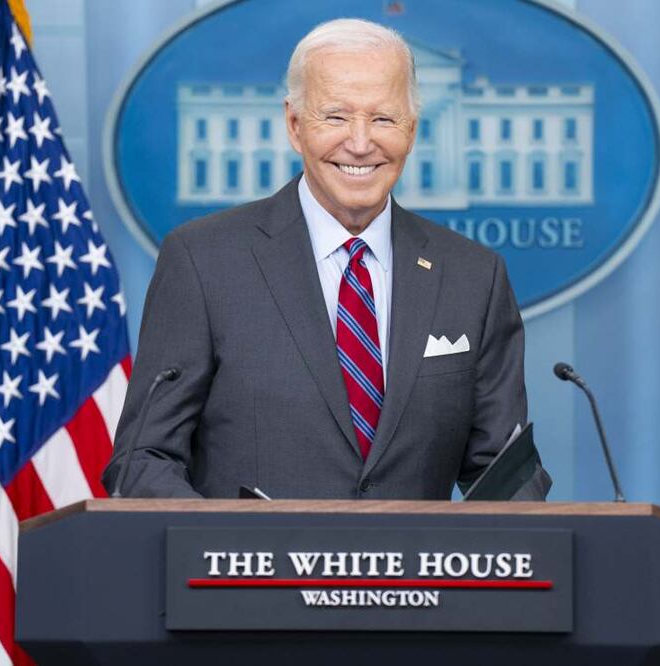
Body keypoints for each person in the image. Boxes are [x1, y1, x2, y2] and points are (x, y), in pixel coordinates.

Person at [102, 18, 551, 500]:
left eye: (383, 118)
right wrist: (218, 546)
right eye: (335, 117)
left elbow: (505, 474)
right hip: (248, 572)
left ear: (413, 130)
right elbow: (143, 460)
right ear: (295, 126)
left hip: (416, 575)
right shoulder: (203, 261)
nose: (360, 143)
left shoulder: (473, 277)